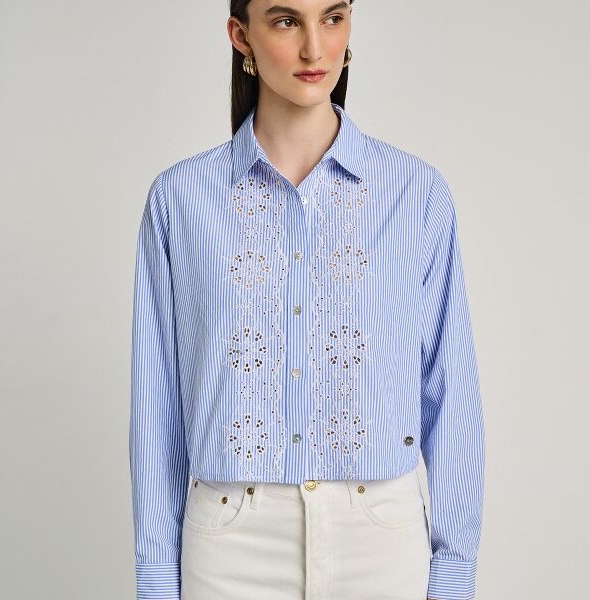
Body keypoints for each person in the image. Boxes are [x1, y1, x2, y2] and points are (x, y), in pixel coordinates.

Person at [129, 1, 485, 599]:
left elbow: (450, 391)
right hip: (230, 547)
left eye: (333, 17)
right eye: (286, 21)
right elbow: (157, 405)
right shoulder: (181, 200)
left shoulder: (416, 194)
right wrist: (158, 578)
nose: (315, 49)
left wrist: (453, 570)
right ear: (241, 35)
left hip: (382, 541)